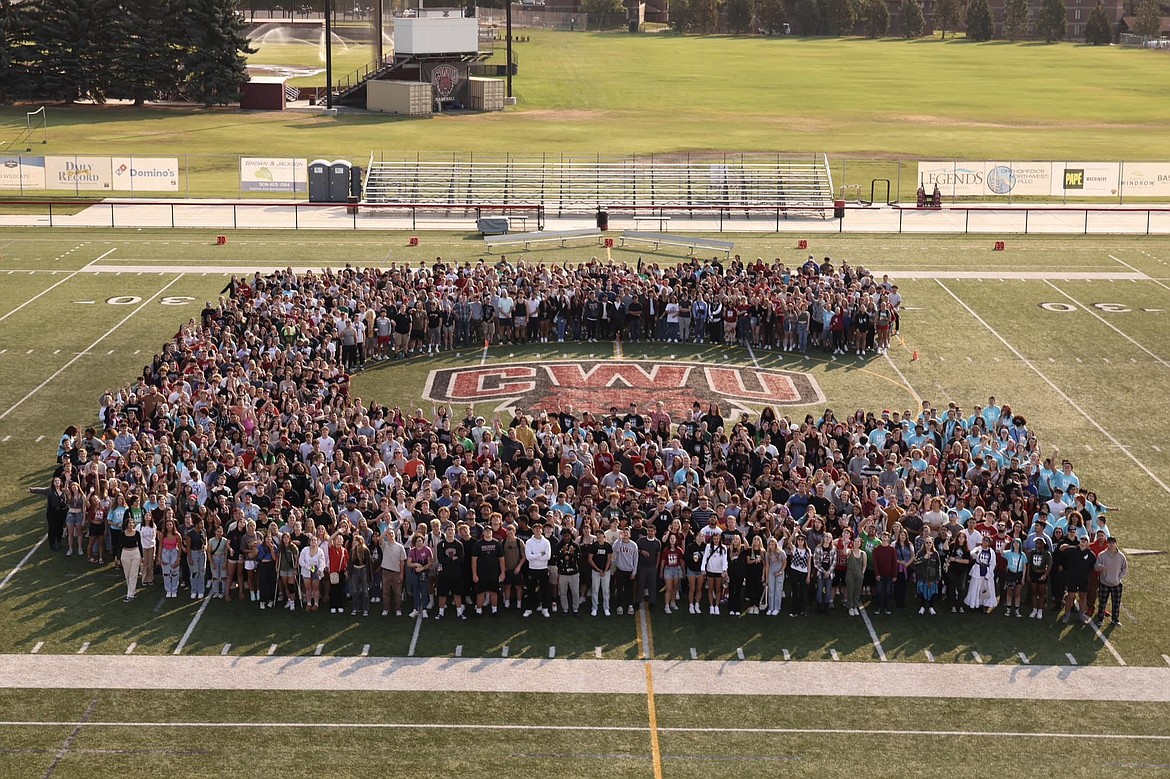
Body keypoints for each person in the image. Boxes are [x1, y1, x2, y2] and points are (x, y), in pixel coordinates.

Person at [1059, 535, 1096, 625]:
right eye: (1081, 539)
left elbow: (1092, 567)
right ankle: (1067, 615)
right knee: (1070, 596)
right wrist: (1066, 546)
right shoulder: (1072, 550)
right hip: (1072, 578)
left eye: (1085, 540)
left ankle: (1081, 616)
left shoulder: (1091, 555)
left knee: (1083, 597)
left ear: (1088, 543)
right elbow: (1061, 549)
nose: (1083, 541)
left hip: (1083, 579)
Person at [1093, 537, 1127, 627]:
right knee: (1102, 602)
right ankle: (1100, 619)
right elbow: (1096, 567)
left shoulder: (1121, 556)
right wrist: (1100, 566)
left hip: (1117, 584)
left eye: (1113, 543)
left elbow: (1124, 568)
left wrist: (1119, 578)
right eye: (1109, 543)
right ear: (1107, 544)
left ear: (1116, 544)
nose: (1111, 545)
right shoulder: (1102, 555)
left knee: (1116, 603)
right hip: (1104, 583)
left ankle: (1115, 619)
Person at [29, 477, 68, 551]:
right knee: (52, 528)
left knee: (60, 528)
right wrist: (32, 490)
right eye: (55, 481)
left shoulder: (63, 490)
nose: (57, 482)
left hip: (61, 512)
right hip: (52, 512)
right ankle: (52, 544)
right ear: (53, 483)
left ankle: (59, 541)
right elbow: (40, 490)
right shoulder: (49, 490)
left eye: (58, 481)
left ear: (60, 482)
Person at [523, 523, 552, 618]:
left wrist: (535, 556)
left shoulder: (546, 542)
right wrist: (540, 554)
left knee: (545, 590)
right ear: (533, 530)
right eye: (536, 529)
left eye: (540, 529)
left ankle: (545, 609)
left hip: (543, 569)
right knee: (530, 590)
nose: (538, 530)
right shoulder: (529, 542)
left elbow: (547, 556)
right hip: (532, 569)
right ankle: (528, 609)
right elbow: (528, 557)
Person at [964, 535, 998, 613]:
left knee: (986, 590)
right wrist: (976, 552)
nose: (984, 542)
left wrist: (988, 575)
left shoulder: (991, 552)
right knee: (975, 588)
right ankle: (973, 604)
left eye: (987, 541)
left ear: (989, 543)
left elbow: (993, 563)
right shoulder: (978, 549)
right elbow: (972, 554)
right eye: (984, 540)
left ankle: (984, 605)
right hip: (977, 571)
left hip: (987, 571)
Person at [379, 527, 407, 616]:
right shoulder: (385, 545)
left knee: (397, 592)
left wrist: (402, 574)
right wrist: (387, 530)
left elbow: (402, 562)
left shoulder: (400, 547)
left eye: (392, 533)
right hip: (386, 572)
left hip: (396, 572)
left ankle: (398, 609)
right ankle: (385, 608)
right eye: (389, 534)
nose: (390, 535)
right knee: (385, 592)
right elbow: (380, 538)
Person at [589, 528, 614, 617]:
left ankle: (606, 607)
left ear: (604, 536)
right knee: (595, 590)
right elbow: (590, 559)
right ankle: (594, 607)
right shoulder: (593, 546)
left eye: (600, 535)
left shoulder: (608, 546)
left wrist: (605, 570)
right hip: (596, 571)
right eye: (597, 535)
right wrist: (598, 569)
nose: (599, 537)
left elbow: (609, 559)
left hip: (605, 572)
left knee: (606, 590)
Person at [556, 528, 581, 616]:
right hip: (563, 573)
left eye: (568, 535)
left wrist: (572, 554)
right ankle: (565, 609)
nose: (566, 537)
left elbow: (579, 558)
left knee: (575, 592)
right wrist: (562, 553)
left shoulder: (575, 545)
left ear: (570, 535)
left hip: (574, 572)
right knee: (563, 592)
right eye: (564, 536)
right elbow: (556, 559)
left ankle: (575, 609)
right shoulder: (559, 545)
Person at [299, 536, 328, 612]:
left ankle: (316, 604)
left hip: (316, 571)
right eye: (312, 540)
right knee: (308, 588)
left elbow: (322, 562)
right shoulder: (305, 550)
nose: (313, 542)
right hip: (306, 571)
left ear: (317, 542)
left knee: (316, 588)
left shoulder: (320, 551)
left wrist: (320, 570)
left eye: (315, 540)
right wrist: (308, 567)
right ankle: (308, 603)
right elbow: (301, 561)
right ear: (310, 541)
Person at [701, 533, 728, 615]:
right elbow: (705, 558)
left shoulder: (723, 548)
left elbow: (724, 560)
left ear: (720, 539)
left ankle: (716, 606)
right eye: (715, 539)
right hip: (710, 570)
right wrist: (703, 568)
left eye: (717, 539)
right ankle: (711, 606)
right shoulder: (708, 547)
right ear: (712, 539)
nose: (716, 540)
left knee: (718, 589)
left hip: (719, 572)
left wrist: (724, 570)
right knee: (710, 589)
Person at [914, 537, 942, 615]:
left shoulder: (935, 553)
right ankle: (922, 606)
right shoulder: (920, 552)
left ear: (932, 544)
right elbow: (915, 562)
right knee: (922, 592)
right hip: (922, 576)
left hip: (932, 577)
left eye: (930, 543)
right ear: (924, 543)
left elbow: (938, 566)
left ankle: (931, 607)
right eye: (927, 542)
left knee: (932, 592)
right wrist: (924, 558)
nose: (928, 544)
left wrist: (938, 577)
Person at [1026, 536, 1052, 620]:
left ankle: (1040, 610)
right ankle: (1034, 609)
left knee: (1041, 593)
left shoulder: (1047, 553)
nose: (1038, 545)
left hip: (1042, 574)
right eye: (1037, 543)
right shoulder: (1032, 552)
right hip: (1034, 573)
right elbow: (1029, 564)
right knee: (1033, 593)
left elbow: (1049, 565)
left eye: (1040, 543)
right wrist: (1028, 575)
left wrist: (1045, 575)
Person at [119, 515, 144, 602]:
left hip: (135, 553)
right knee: (127, 574)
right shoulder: (122, 533)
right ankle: (132, 591)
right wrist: (117, 557)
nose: (131, 524)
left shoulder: (137, 533)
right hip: (125, 553)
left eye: (132, 523)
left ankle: (130, 595)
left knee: (133, 575)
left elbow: (140, 544)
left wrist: (142, 556)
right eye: (129, 523)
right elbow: (119, 545)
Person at [659, 531, 684, 615]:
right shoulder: (666, 550)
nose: (672, 540)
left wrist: (683, 571)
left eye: (674, 538)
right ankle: (666, 605)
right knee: (669, 588)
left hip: (677, 569)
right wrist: (661, 571)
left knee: (675, 587)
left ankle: (672, 602)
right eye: (671, 538)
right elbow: (663, 561)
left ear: (676, 540)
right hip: (668, 569)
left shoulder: (679, 550)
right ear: (669, 540)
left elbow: (681, 561)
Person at [1002, 537, 1026, 618]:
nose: (1015, 544)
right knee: (1009, 592)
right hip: (1010, 574)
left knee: (1017, 593)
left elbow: (1024, 567)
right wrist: (1005, 543)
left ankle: (1017, 610)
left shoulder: (1023, 555)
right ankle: (1008, 609)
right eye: (1014, 542)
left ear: (1020, 544)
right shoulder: (1009, 553)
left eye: (1017, 543)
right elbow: (1001, 552)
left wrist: (1023, 577)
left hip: (1018, 574)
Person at [159, 518, 183, 599]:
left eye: (170, 524)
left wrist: (178, 558)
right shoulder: (163, 534)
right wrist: (159, 557)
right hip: (165, 552)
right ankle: (168, 590)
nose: (169, 526)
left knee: (174, 572)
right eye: (167, 525)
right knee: (166, 573)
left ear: (173, 525)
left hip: (174, 552)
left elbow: (179, 547)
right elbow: (160, 546)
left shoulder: (177, 535)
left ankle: (174, 589)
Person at [812, 534, 836, 615]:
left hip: (830, 573)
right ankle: (818, 607)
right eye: (826, 537)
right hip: (820, 573)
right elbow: (816, 562)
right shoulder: (818, 548)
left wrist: (829, 572)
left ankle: (826, 607)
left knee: (828, 590)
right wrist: (824, 571)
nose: (827, 539)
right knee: (819, 589)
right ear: (823, 538)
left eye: (829, 537)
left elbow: (834, 562)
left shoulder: (833, 549)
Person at [350, 535, 372, 617]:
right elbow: (350, 563)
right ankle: (355, 608)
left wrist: (369, 575)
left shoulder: (365, 550)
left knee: (365, 591)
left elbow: (368, 563)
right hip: (355, 571)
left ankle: (365, 609)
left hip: (363, 570)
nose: (354, 542)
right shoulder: (352, 550)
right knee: (355, 591)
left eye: (355, 540)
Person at [844, 537, 867, 616]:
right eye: (855, 541)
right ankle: (850, 606)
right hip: (850, 572)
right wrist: (846, 544)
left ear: (861, 544)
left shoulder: (863, 553)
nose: (856, 543)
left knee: (857, 591)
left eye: (858, 542)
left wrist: (862, 573)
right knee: (850, 590)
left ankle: (855, 606)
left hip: (859, 573)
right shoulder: (850, 551)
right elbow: (844, 552)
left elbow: (864, 565)